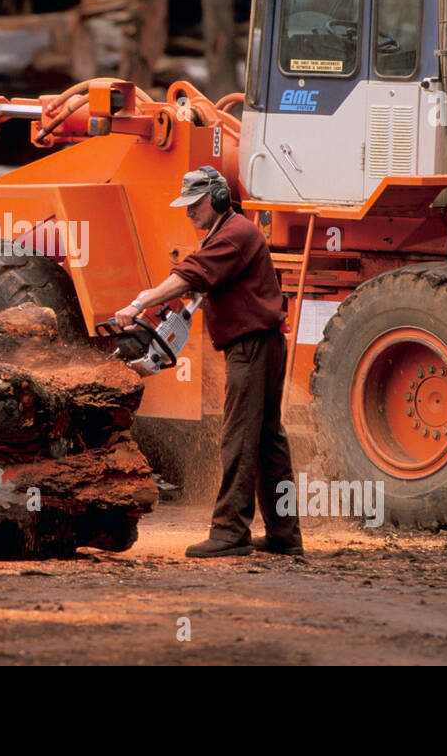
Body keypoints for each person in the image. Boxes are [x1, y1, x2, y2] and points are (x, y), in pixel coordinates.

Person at [113, 166, 304, 557]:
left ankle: (230, 532)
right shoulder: (226, 234)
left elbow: (189, 275)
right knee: (268, 439)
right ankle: (285, 535)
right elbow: (195, 282)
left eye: (195, 204)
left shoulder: (235, 235)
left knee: (239, 436)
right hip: (262, 344)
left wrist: (138, 303)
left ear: (217, 199)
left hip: (251, 348)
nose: (189, 213)